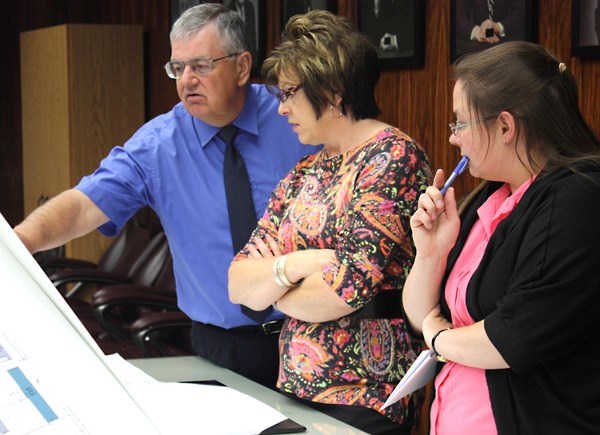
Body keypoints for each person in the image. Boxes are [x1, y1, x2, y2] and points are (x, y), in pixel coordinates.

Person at [13, 4, 315, 389]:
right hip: (221, 346)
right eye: (178, 68)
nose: (187, 80)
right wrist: (18, 243)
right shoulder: (159, 145)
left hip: (313, 337)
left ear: (242, 66)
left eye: (201, 66)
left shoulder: (295, 116)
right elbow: (83, 205)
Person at [228, 10, 431, 434]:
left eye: (289, 93)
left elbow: (346, 288)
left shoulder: (392, 158)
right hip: (296, 386)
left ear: (333, 91)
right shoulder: (306, 171)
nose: (281, 108)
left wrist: (275, 290)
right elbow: (239, 285)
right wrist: (298, 266)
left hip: (366, 395)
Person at [403, 41, 600, 434]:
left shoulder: (577, 198)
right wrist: (431, 252)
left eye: (459, 123)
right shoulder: (489, 197)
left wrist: (440, 339)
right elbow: (417, 315)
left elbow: (514, 336)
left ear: (506, 126)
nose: (454, 138)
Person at [455, 0, 525, 56]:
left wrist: (497, 27)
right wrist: (477, 32)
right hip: (476, 42)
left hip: (507, 40)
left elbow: (523, 11)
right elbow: (457, 14)